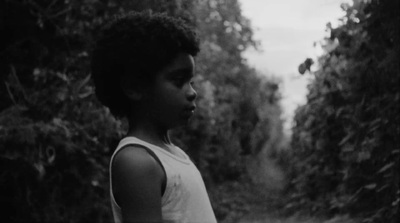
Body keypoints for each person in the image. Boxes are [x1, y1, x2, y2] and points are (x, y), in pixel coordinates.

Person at [91, 11, 217, 223]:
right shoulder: (137, 162)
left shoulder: (171, 154)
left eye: (191, 81)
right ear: (134, 87)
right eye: (179, 80)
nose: (192, 92)